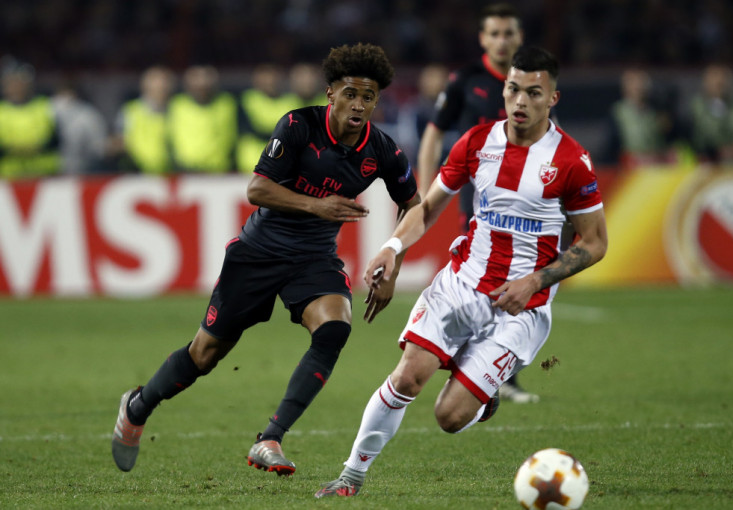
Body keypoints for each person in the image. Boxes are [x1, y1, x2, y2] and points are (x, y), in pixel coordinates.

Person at [111, 43, 420, 476]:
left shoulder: (382, 150)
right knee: (205, 354)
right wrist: (317, 205)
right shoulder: (298, 125)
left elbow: (414, 206)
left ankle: (270, 438)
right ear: (331, 93)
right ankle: (138, 406)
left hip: (314, 257)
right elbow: (257, 189)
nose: (358, 104)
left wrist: (394, 258)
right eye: (350, 94)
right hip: (259, 252)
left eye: (368, 97)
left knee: (334, 328)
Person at [315, 46, 608, 498]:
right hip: (461, 285)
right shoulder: (476, 142)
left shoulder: (571, 161)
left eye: (534, 93)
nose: (520, 101)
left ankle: (483, 399)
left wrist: (535, 281)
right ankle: (351, 477)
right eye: (513, 89)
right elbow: (427, 207)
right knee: (407, 377)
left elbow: (594, 243)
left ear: (553, 98)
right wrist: (393, 247)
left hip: (520, 308)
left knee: (449, 417)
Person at [417, 3, 534, 403]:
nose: (502, 41)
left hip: (525, 195)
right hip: (480, 195)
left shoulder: (531, 82)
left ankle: (497, 369)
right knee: (482, 279)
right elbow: (434, 133)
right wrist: (425, 190)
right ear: (483, 39)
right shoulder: (465, 80)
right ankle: (481, 369)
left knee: (520, 277)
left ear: (519, 38)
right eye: (494, 33)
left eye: (508, 33)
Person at [167, 65, 238, 172]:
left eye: (206, 77)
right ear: (187, 81)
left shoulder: (227, 104)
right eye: (196, 77)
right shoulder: (176, 105)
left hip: (220, 171)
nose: (202, 83)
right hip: (185, 170)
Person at [0, 58, 60, 179]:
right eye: (11, 82)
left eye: (20, 81)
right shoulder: (2, 110)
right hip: (8, 178)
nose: (16, 86)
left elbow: (58, 140)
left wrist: (35, 149)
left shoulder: (46, 105)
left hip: (45, 176)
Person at [110, 66, 176, 174]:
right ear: (145, 86)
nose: (161, 87)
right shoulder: (130, 111)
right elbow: (118, 140)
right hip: (136, 173)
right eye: (156, 84)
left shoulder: (177, 110)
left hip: (172, 172)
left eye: (164, 84)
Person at [604, 68, 674, 167]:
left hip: (655, 163)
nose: (638, 87)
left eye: (641, 83)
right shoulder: (618, 112)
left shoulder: (655, 111)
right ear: (625, 87)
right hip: (629, 164)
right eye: (633, 83)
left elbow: (668, 138)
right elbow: (611, 144)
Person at [688, 64, 733, 163]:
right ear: (705, 82)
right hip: (705, 155)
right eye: (714, 77)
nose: (719, 81)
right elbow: (701, 134)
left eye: (723, 77)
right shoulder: (696, 105)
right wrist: (718, 150)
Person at [51, 79, 108, 175]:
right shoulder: (87, 113)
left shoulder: (87, 114)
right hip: (58, 169)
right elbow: (100, 148)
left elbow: (100, 147)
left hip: (78, 170)